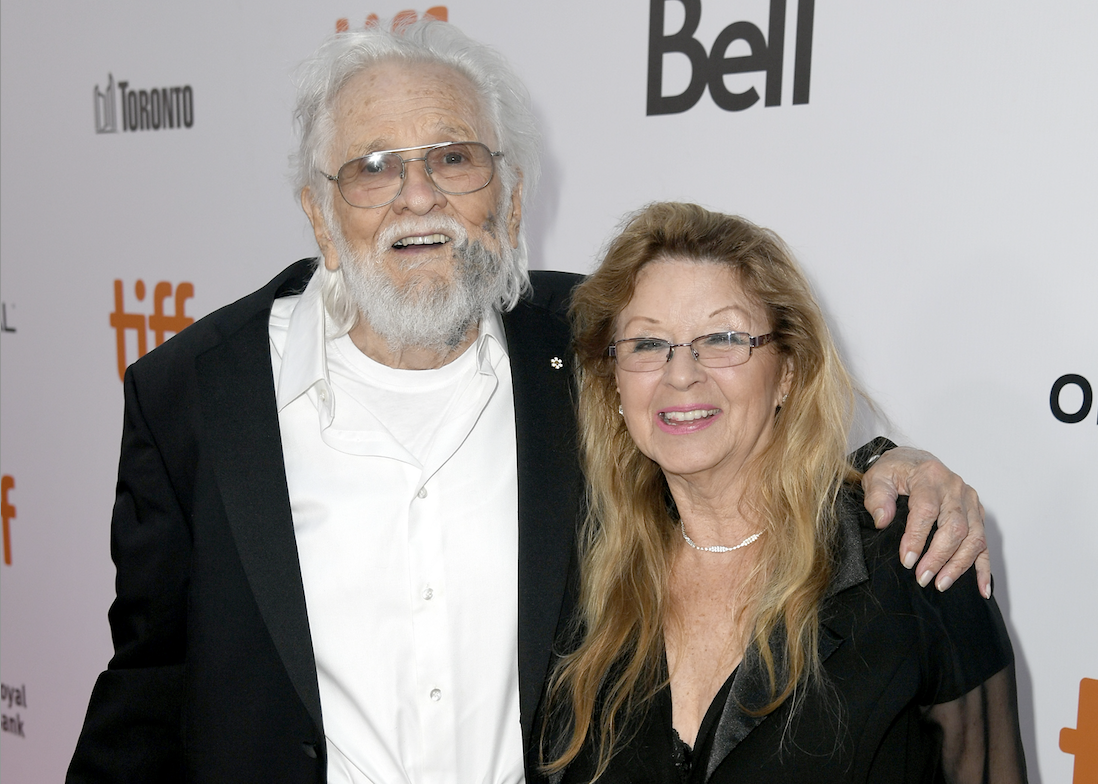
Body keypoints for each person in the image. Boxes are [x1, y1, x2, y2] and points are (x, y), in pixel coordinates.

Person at [68, 21, 989, 784]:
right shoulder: (195, 393)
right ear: (319, 212)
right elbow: (149, 689)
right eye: (374, 166)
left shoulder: (587, 341)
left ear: (508, 202)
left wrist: (892, 466)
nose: (416, 195)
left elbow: (742, 402)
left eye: (454, 159)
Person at [537, 202, 1026, 783]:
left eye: (721, 338)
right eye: (647, 344)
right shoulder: (582, 585)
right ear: (613, 379)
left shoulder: (916, 561)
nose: (681, 373)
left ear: (788, 370)